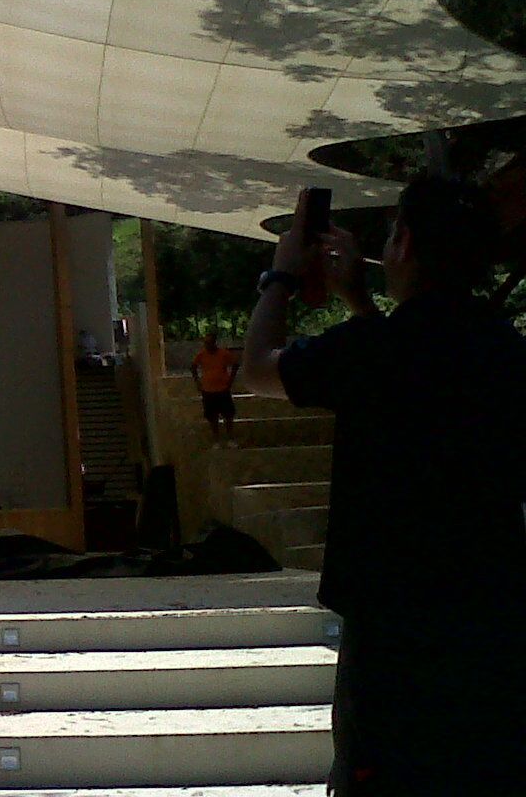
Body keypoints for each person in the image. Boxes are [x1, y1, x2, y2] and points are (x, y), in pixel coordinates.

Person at [242, 178, 526, 795]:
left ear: (403, 246)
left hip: (392, 638)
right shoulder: (509, 354)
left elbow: (258, 367)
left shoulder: (373, 350)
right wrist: (361, 304)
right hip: (493, 632)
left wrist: (282, 276)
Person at [191, 330, 240, 447]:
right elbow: (193, 367)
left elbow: (235, 364)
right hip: (208, 391)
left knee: (228, 415)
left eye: (209, 343)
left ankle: (230, 439)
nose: (207, 345)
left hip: (223, 389)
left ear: (214, 343)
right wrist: (197, 382)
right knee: (212, 417)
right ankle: (216, 440)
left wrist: (230, 380)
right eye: (205, 343)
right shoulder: (201, 355)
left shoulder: (223, 353)